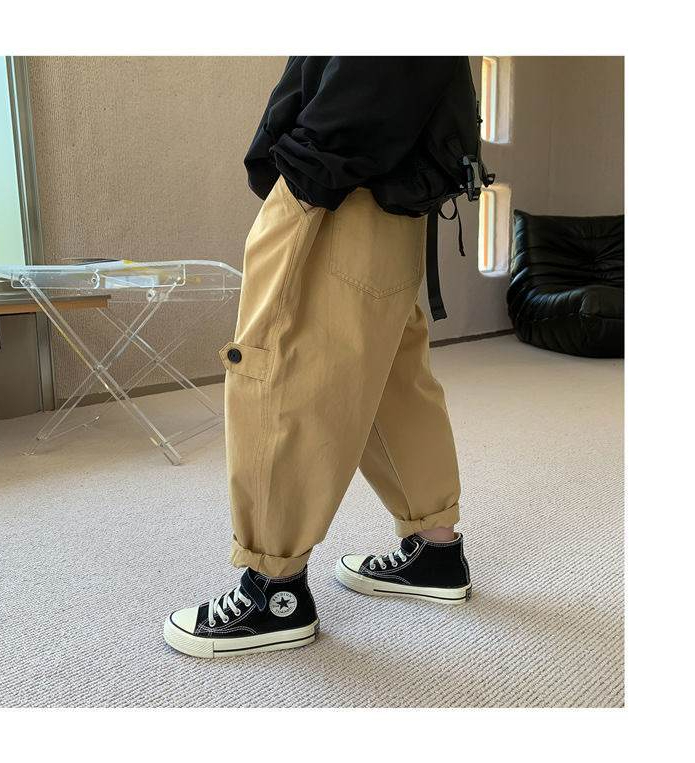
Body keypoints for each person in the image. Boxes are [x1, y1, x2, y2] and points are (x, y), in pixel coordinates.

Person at [164, 56, 489, 658]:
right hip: (392, 196)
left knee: (289, 373)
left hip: (339, 189)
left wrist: (302, 177)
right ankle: (436, 550)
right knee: (392, 381)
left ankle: (274, 592)